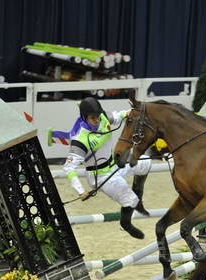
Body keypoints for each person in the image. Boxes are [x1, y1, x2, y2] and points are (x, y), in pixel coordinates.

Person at [62, 97, 151, 239]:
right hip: (100, 176)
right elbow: (69, 168)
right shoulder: (79, 140)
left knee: (146, 162)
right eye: (93, 118)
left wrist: (131, 111)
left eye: (98, 116)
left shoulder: (103, 117)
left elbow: (119, 115)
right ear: (84, 118)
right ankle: (126, 224)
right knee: (130, 200)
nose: (97, 120)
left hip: (114, 164)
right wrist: (80, 191)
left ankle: (139, 195)